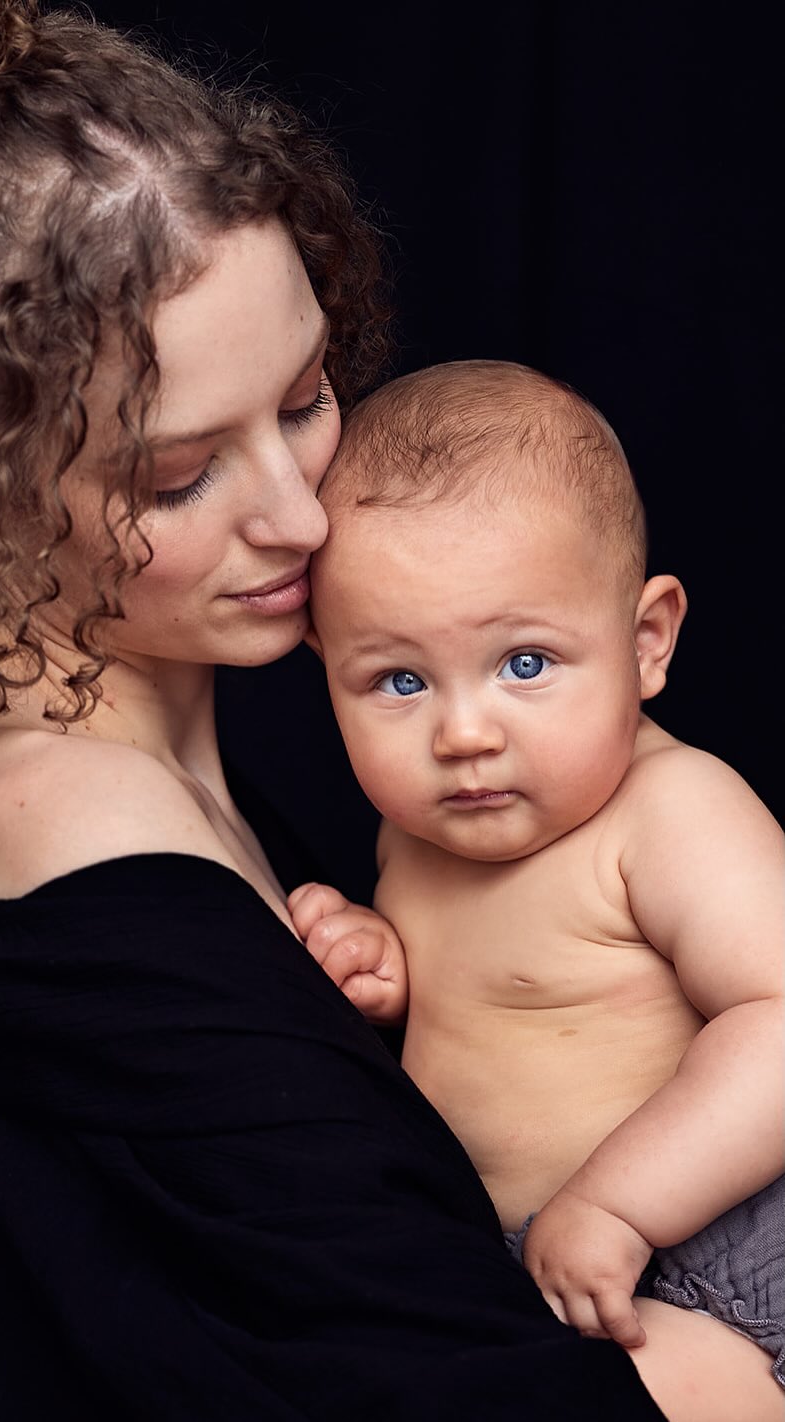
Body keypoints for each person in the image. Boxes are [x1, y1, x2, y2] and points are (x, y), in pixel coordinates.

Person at [0, 2, 776, 1415]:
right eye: (175, 479)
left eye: (301, 398)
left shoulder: (121, 737)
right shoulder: (75, 854)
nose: (295, 516)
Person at [296, 359, 784, 1399]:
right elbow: (500, 1004)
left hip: (706, 1255)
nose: (463, 734)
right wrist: (385, 969)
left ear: (644, 642)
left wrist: (618, 1207)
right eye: (397, 680)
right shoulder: (414, 839)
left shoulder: (670, 811)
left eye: (523, 663)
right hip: (538, 1266)